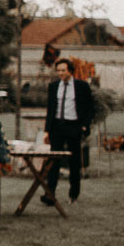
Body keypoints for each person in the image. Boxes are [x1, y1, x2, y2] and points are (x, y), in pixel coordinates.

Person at [41, 57, 94, 205]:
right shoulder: (53, 86)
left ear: (70, 71)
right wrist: (47, 131)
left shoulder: (81, 86)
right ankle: (50, 195)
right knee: (54, 161)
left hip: (73, 126)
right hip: (57, 126)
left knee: (74, 162)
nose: (60, 73)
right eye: (58, 70)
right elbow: (50, 110)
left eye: (63, 70)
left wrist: (84, 125)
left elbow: (90, 108)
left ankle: (73, 195)